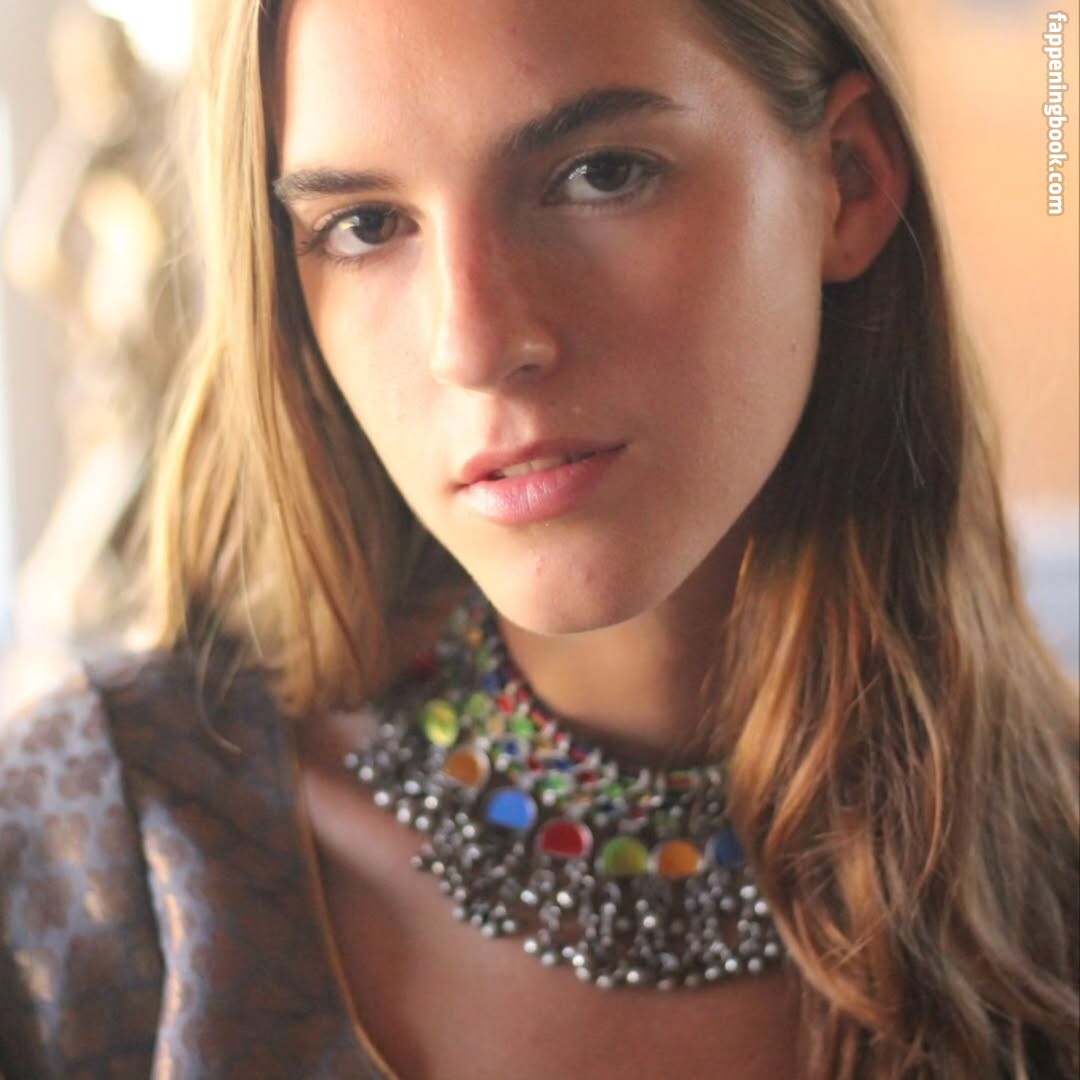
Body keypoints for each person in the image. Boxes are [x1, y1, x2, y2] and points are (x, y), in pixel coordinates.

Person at [1, 0, 1076, 1077]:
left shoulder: (1053, 878)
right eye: (366, 225)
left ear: (848, 179)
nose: (472, 344)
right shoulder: (92, 864)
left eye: (600, 174)